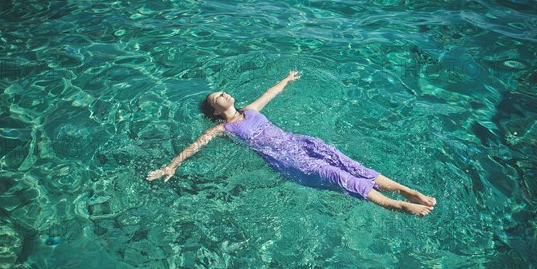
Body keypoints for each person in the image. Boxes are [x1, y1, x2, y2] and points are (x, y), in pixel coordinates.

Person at [146, 71, 437, 216]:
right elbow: (195, 145)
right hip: (287, 160)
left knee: (348, 164)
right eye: (216, 97)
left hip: (301, 143)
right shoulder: (222, 129)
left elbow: (269, 93)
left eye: (221, 91)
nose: (222, 93)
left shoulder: (250, 110)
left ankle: (406, 190)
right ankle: (397, 205)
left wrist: (286, 79)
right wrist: (170, 166)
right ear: (214, 111)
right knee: (336, 175)